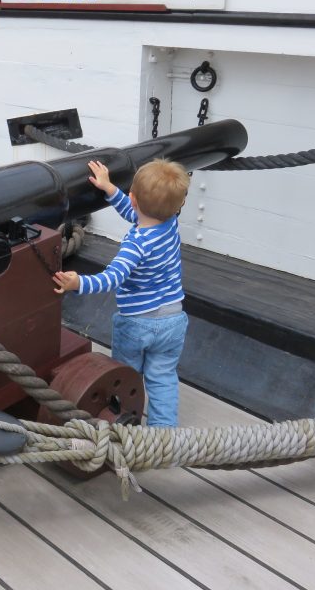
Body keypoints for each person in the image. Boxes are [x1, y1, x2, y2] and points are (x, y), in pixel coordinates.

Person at [53, 158, 190, 427]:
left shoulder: (135, 245)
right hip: (173, 320)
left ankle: (120, 421)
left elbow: (111, 278)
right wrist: (110, 189)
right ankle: (164, 436)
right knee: (162, 377)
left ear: (134, 198)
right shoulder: (170, 222)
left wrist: (78, 282)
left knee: (125, 374)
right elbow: (136, 212)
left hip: (137, 323)